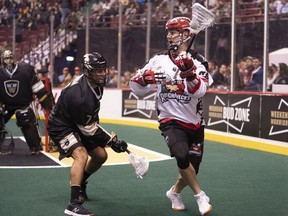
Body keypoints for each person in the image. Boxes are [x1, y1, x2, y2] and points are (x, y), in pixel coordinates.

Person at [129, 17, 213, 216]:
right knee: (181, 155)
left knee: (192, 167)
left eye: (173, 31)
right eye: (168, 32)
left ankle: (174, 192)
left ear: (186, 34)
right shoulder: (158, 59)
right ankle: (201, 196)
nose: (169, 35)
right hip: (169, 120)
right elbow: (136, 89)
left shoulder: (199, 61)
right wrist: (142, 79)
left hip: (194, 122)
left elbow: (200, 91)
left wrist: (189, 72)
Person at [47, 52, 128, 216]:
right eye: (98, 70)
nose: (103, 73)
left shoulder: (94, 83)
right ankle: (73, 204)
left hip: (76, 122)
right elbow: (88, 128)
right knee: (81, 155)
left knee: (100, 156)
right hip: (61, 125)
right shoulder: (80, 95)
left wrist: (110, 142)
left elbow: (88, 122)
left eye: (104, 69)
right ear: (88, 71)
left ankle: (81, 183)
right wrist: (112, 142)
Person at [0, 49, 54, 155]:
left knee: (26, 118)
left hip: (24, 104)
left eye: (10, 58)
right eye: (6, 58)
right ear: (3, 60)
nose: (9, 60)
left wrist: (46, 101)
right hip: (6, 105)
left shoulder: (26, 70)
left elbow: (37, 87)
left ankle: (35, 147)